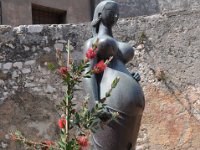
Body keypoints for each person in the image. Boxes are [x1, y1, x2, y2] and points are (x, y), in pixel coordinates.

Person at [83, 1, 145, 149]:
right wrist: (95, 104)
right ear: (99, 14)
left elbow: (117, 65)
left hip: (132, 109)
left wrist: (130, 76)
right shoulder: (92, 42)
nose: (115, 14)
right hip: (110, 105)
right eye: (111, 11)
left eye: (117, 11)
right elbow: (87, 73)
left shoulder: (117, 43)